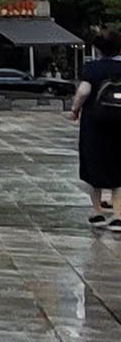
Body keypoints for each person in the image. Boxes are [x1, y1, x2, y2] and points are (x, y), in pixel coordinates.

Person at [75, 28, 121, 228]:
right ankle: (119, 215)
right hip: (120, 124)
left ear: (97, 48)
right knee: (119, 167)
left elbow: (84, 91)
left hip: (94, 123)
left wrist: (75, 109)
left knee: (94, 164)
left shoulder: (91, 68)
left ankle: (98, 213)